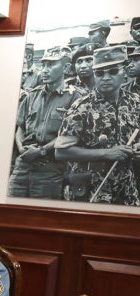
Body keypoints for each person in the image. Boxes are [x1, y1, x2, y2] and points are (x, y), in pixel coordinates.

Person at [56, 46, 140, 205]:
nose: (106, 77)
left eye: (113, 71)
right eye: (100, 73)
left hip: (127, 190)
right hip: (91, 191)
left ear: (125, 72)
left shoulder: (135, 102)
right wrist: (106, 153)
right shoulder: (81, 107)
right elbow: (61, 152)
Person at [8, 46, 83, 199]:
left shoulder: (75, 98)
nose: (45, 70)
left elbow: (69, 136)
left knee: (39, 214)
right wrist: (22, 149)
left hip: (50, 168)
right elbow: (20, 128)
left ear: (66, 67)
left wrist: (41, 151)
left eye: (51, 65)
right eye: (43, 65)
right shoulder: (32, 96)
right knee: (10, 208)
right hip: (23, 165)